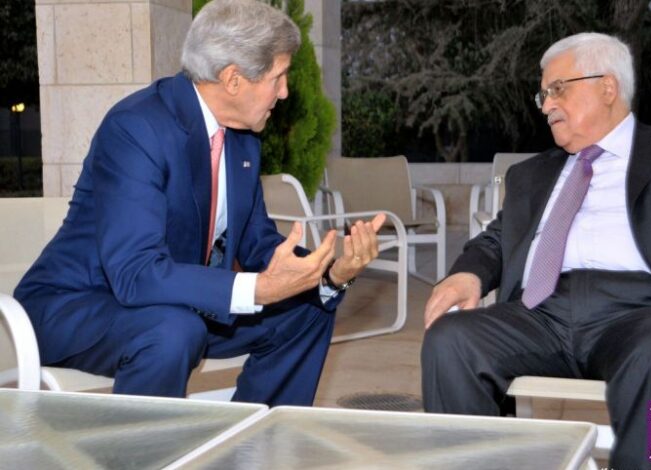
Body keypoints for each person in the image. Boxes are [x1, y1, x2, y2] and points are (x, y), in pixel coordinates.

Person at [421, 32, 651, 469]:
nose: (546, 105)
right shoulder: (531, 173)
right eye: (543, 95)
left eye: (557, 89)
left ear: (607, 87)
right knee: (450, 339)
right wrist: (467, 273)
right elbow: (497, 239)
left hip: (650, 315)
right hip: (541, 314)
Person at [14, 0, 384, 407]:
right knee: (174, 330)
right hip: (76, 306)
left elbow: (259, 244)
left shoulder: (242, 139)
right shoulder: (136, 128)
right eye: (278, 77)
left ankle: (258, 435)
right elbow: (135, 273)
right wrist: (258, 288)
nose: (284, 92)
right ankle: (142, 444)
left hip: (174, 305)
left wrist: (329, 275)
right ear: (233, 79)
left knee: (307, 309)